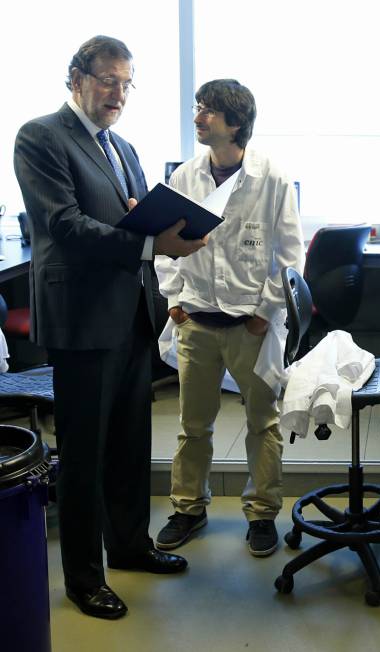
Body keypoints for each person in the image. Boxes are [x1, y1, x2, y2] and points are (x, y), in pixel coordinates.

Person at [13, 35, 206, 620]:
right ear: (76, 77)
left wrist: (160, 224)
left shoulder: (121, 146)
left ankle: (128, 546)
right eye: (106, 80)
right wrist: (151, 241)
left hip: (131, 316)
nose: (117, 93)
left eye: (126, 83)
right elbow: (64, 225)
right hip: (83, 320)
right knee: (85, 451)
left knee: (128, 443)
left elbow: (126, 213)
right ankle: (82, 577)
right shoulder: (41, 136)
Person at [155, 79, 304, 557]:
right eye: (198, 109)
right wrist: (174, 300)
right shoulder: (184, 178)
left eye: (207, 112)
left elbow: (289, 259)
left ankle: (261, 514)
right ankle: (187, 509)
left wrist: (263, 313)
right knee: (192, 426)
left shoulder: (272, 180)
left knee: (263, 423)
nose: (197, 118)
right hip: (196, 321)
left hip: (250, 327)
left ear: (234, 123)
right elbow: (163, 249)